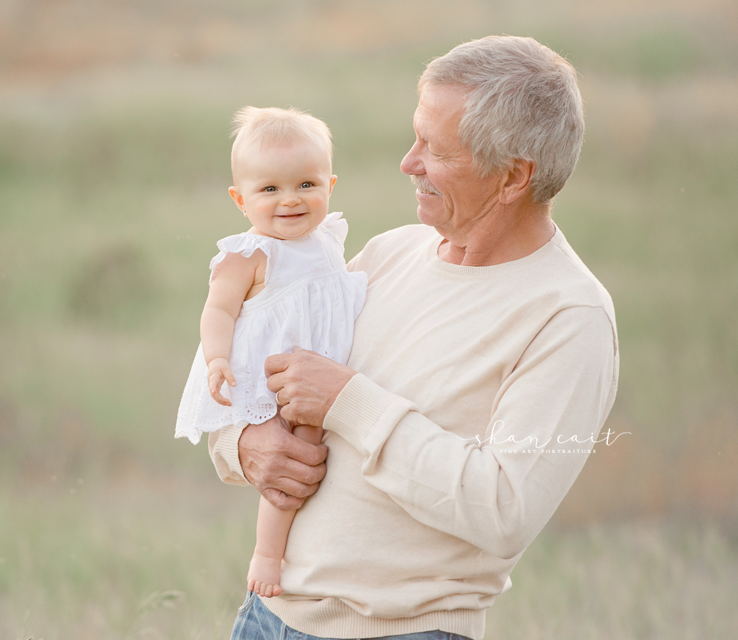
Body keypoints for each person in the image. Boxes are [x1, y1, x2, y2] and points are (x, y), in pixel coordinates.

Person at [208, 36, 619, 640]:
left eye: (435, 148)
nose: (409, 162)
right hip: (269, 618)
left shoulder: (570, 317)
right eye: (416, 135)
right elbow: (249, 364)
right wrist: (242, 445)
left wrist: (348, 401)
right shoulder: (390, 252)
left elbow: (502, 510)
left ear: (512, 177)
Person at [175, 106, 367, 598]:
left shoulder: (327, 238)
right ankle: (268, 553)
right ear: (241, 199)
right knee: (291, 459)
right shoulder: (248, 253)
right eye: (270, 190)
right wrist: (217, 359)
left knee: (317, 451)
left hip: (321, 371)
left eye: (306, 184)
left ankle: (319, 550)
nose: (291, 200)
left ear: (330, 185)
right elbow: (217, 312)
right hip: (272, 374)